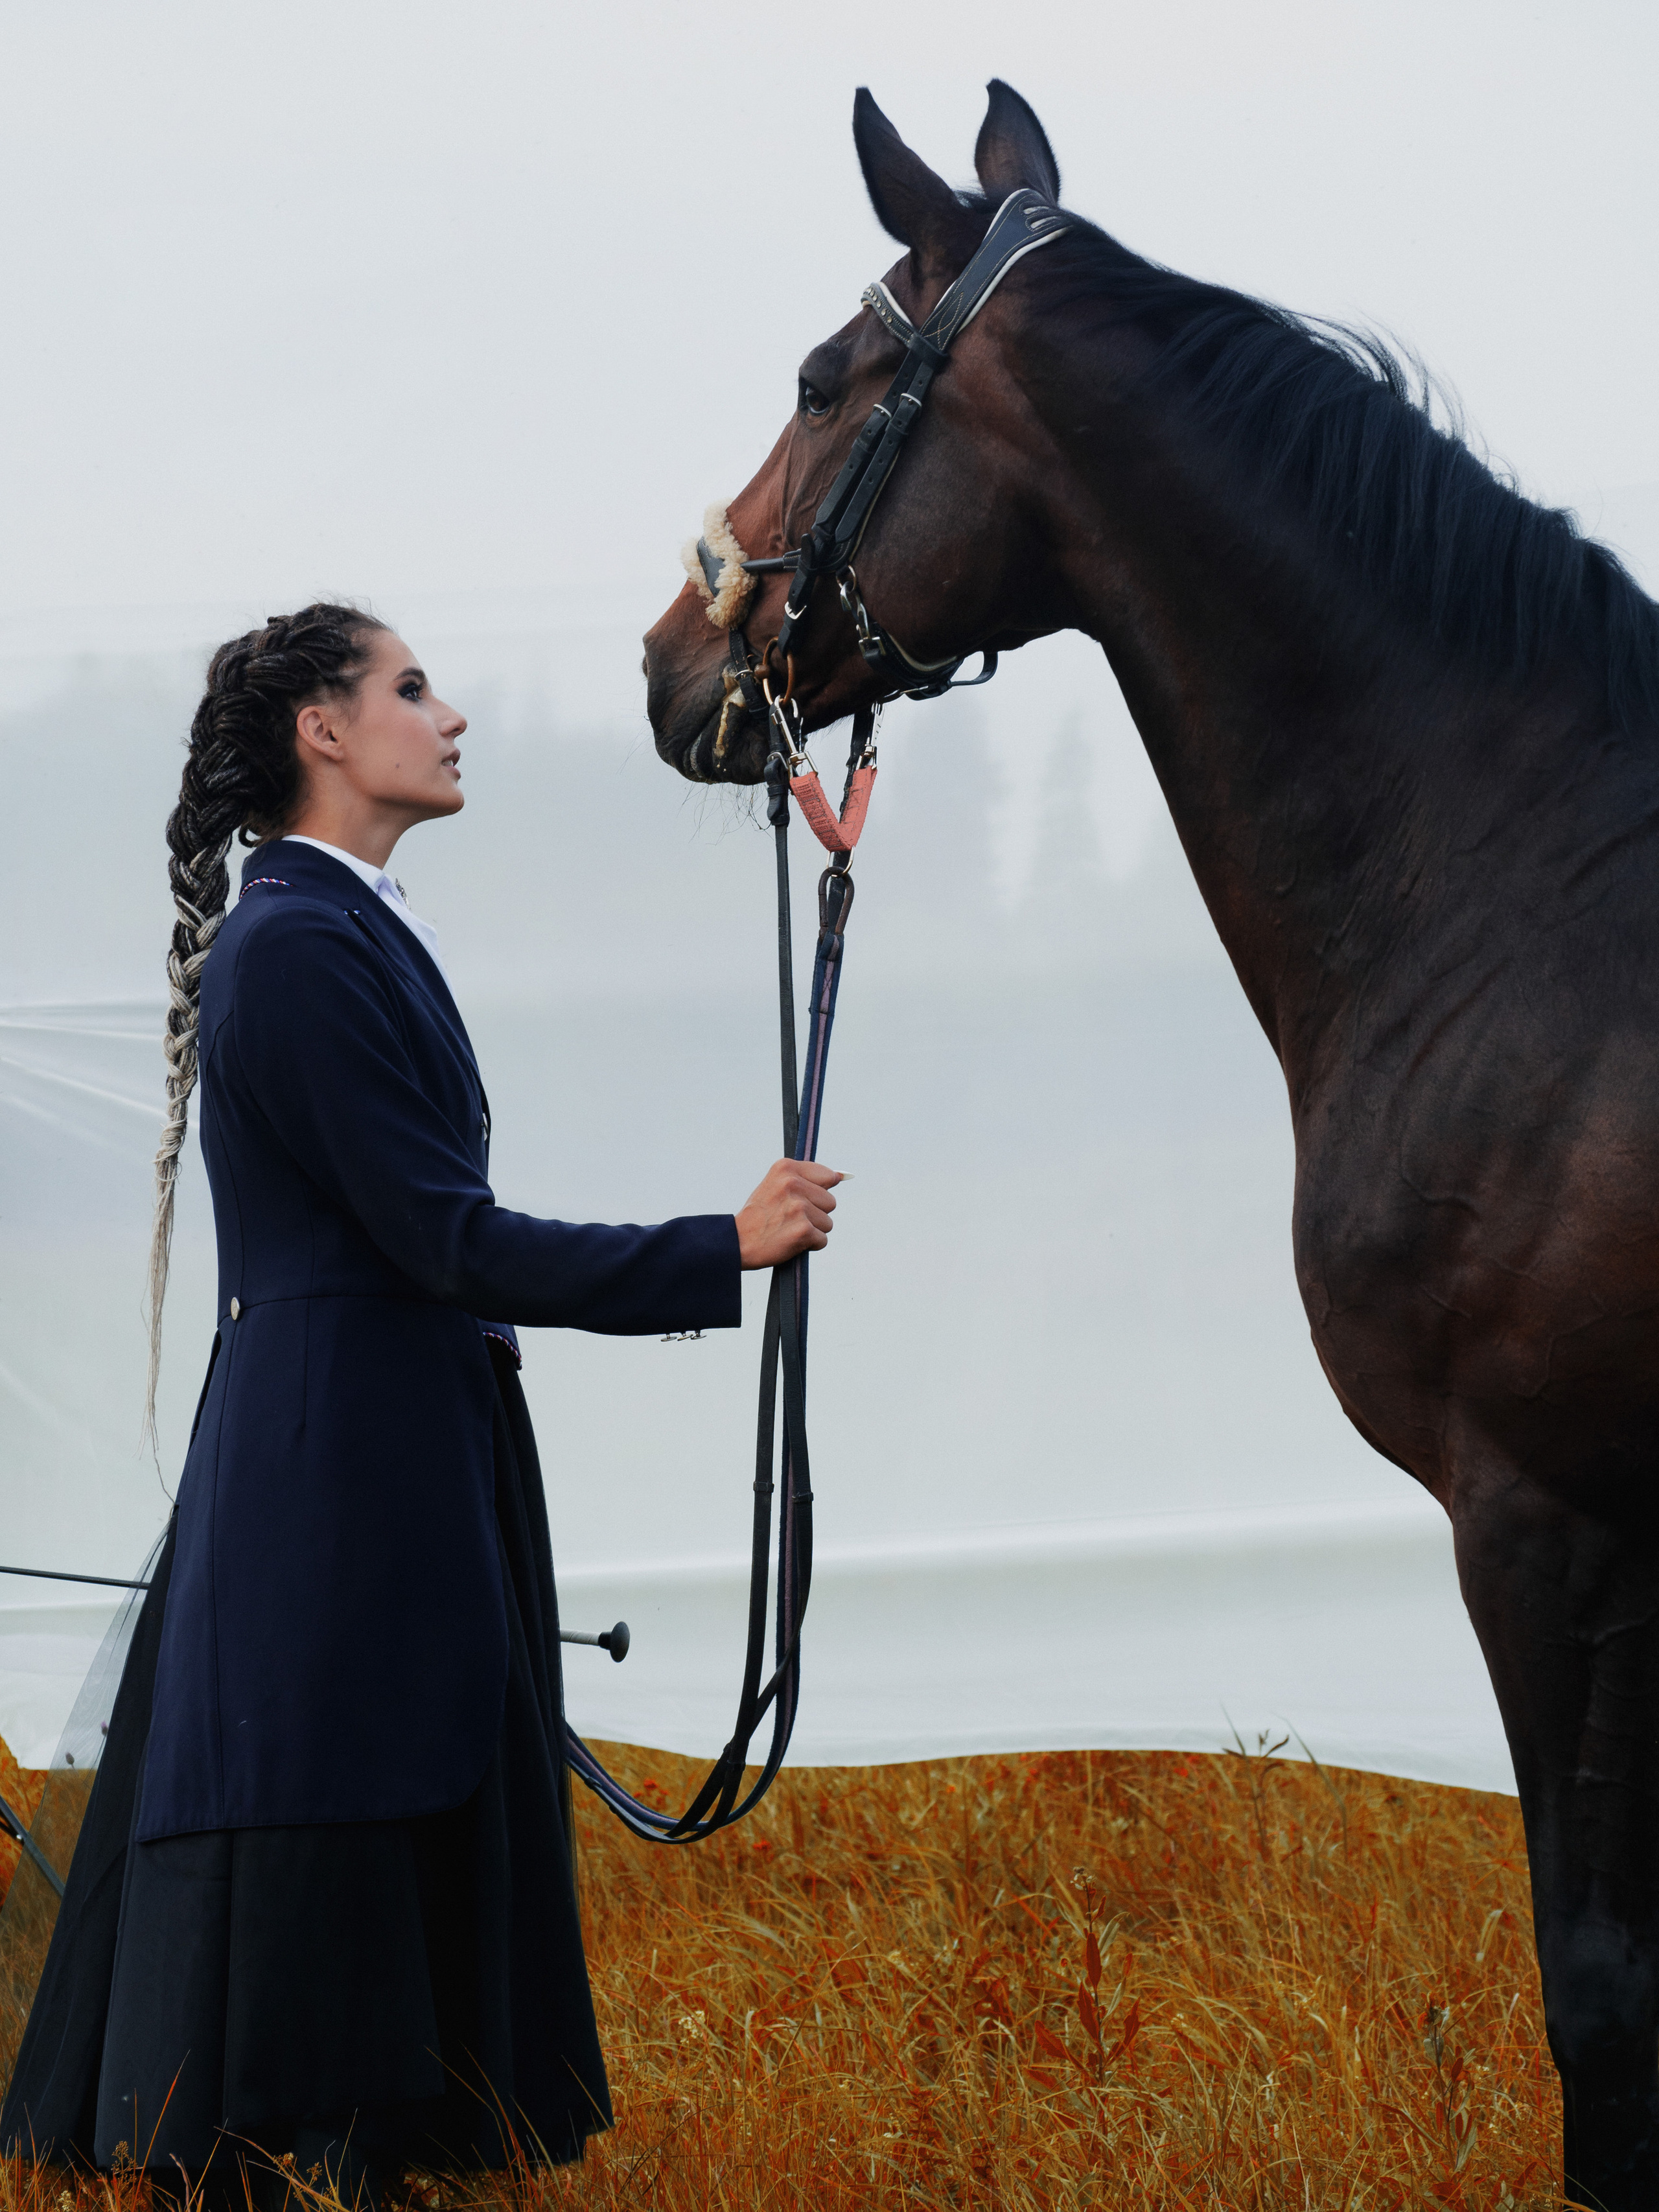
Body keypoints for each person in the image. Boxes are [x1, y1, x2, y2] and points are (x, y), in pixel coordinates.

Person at [0, 603, 841, 2204]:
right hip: (337, 1489)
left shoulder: (344, 928)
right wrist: (713, 1248)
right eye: (408, 688)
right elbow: (442, 1236)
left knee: (387, 1813)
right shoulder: (299, 947)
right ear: (323, 733)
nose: (448, 717)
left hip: (383, 1461)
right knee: (333, 1851)